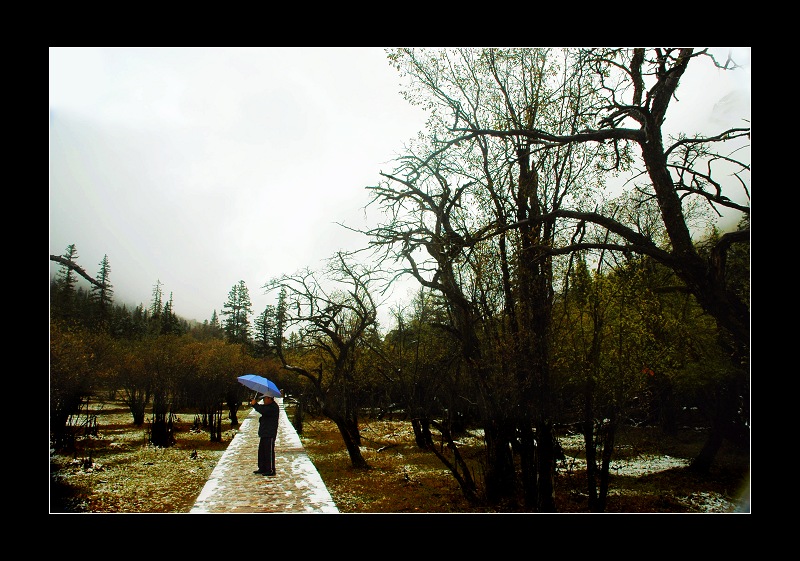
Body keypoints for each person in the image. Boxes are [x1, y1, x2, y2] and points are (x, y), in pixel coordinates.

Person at [250, 394, 280, 476]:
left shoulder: (273, 407)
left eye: (265, 399)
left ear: (270, 398)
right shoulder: (268, 406)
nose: (263, 400)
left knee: (268, 452)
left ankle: (270, 469)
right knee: (262, 451)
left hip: (269, 433)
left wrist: (255, 404)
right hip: (264, 432)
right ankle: (262, 467)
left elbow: (262, 410)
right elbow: (262, 409)